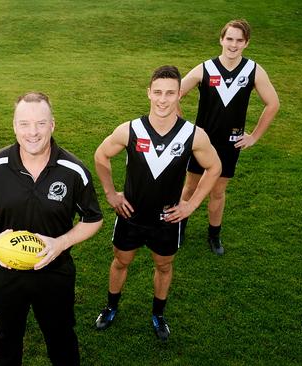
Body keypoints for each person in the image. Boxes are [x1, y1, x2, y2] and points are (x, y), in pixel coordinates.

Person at [0, 92, 103, 365]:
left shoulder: (73, 171)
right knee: (8, 337)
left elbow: (93, 218)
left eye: (41, 124)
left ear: (52, 125)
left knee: (61, 338)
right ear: (14, 126)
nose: (33, 132)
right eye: (25, 124)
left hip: (55, 274)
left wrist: (60, 243)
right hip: (7, 273)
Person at [93, 66, 221, 341]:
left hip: (167, 220)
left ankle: (158, 315)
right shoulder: (130, 130)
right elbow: (101, 156)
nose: (163, 99)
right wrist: (111, 194)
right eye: (158, 92)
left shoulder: (193, 135)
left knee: (163, 266)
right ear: (149, 93)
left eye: (170, 93)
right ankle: (111, 307)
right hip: (131, 216)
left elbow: (215, 167)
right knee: (120, 261)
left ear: (179, 96)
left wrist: (191, 204)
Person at [179, 19, 280, 255]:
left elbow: (273, 103)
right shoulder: (206, 68)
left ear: (246, 43)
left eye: (239, 40)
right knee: (190, 186)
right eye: (229, 39)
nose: (233, 44)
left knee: (217, 191)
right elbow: (175, 94)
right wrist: (185, 129)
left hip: (229, 144)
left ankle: (214, 235)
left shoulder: (253, 70)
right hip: (201, 142)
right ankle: (179, 227)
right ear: (221, 40)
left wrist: (254, 136)